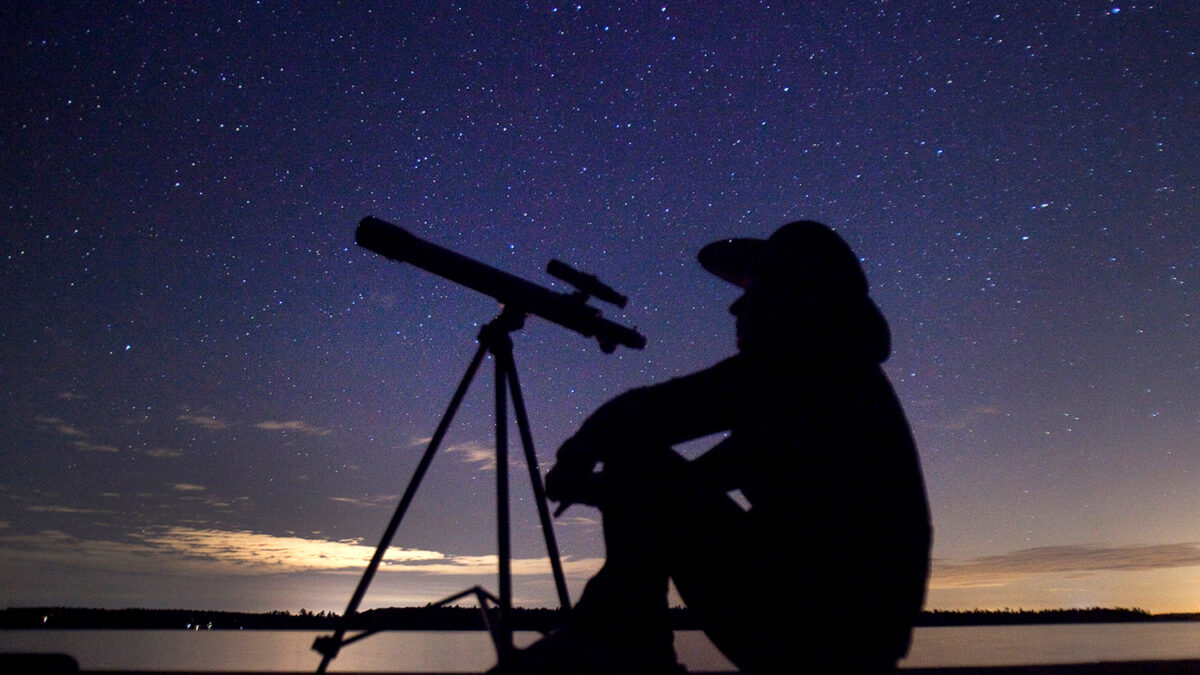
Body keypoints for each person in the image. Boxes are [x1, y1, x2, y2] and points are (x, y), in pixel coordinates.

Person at [501, 221, 931, 674]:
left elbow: (643, 416)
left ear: (795, 299)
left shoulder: (802, 372)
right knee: (644, 470)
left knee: (639, 461)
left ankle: (622, 645)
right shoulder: (836, 388)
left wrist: (575, 459)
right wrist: (609, 488)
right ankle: (619, 640)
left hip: (820, 633)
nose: (737, 308)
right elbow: (690, 485)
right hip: (852, 640)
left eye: (755, 293)